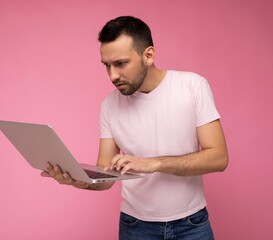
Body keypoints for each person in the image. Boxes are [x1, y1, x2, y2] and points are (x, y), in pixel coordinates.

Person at [41, 16, 228, 240]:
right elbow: (106, 176)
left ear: (148, 55)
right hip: (135, 227)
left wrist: (153, 163)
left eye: (120, 63)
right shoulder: (110, 105)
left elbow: (219, 158)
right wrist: (79, 181)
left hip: (191, 224)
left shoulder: (193, 86)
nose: (113, 76)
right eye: (106, 66)